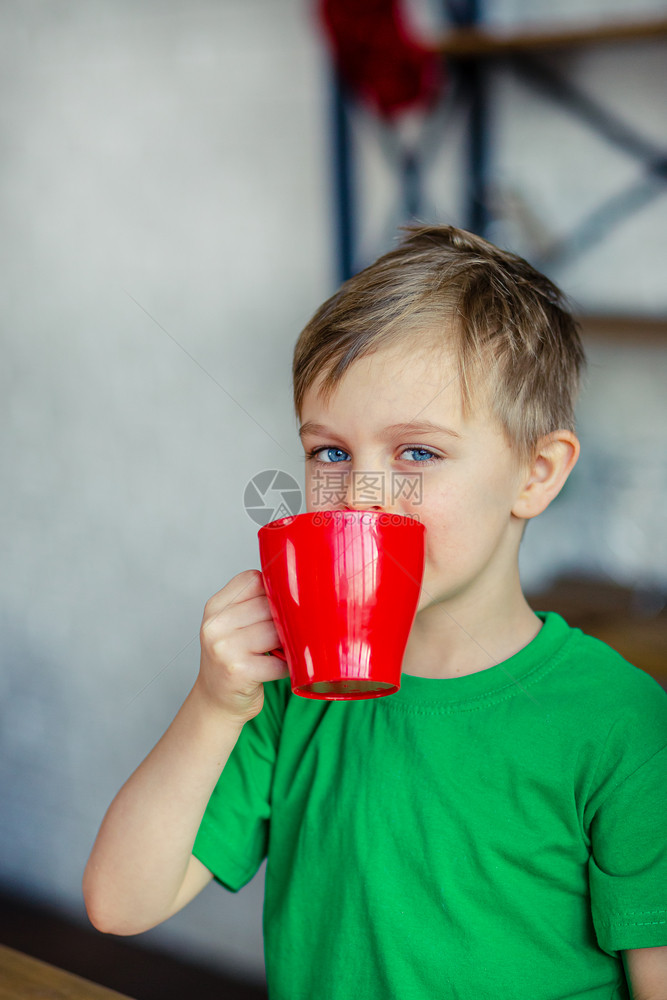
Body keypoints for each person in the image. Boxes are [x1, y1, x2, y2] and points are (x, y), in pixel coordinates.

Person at [83, 226, 667, 999]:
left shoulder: (618, 722)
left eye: (416, 453)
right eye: (329, 452)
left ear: (536, 472)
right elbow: (119, 904)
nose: (359, 493)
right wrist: (212, 704)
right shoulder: (284, 697)